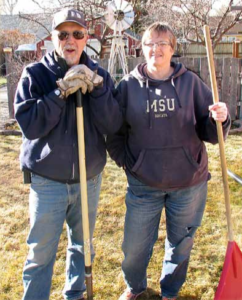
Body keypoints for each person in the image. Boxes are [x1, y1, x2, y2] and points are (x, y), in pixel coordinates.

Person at [106, 22, 231, 300]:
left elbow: (210, 133)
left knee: (181, 244)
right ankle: (135, 288)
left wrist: (219, 119)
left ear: (172, 49)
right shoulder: (127, 86)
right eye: (150, 42)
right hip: (143, 184)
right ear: (142, 48)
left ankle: (170, 292)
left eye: (163, 43)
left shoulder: (191, 83)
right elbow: (114, 130)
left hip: (189, 183)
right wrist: (128, 163)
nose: (156, 48)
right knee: (134, 247)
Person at [14, 8, 121, 300]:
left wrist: (97, 88)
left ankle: (75, 294)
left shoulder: (100, 75)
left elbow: (112, 123)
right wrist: (59, 92)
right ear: (52, 38)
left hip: (89, 179)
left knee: (82, 246)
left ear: (87, 38)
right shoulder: (35, 75)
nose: (70, 40)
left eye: (77, 33)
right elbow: (30, 124)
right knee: (41, 253)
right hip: (48, 182)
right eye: (63, 34)